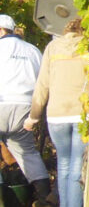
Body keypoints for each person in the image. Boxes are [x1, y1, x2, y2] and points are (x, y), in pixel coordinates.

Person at [24, 18, 89, 207]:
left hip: (56, 115)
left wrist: (33, 117)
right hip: (82, 114)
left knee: (63, 164)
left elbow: (42, 85)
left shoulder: (52, 48)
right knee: (78, 166)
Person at [0, 14, 53, 206]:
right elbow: (43, 81)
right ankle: (44, 198)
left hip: (1, 103)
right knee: (29, 153)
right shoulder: (32, 50)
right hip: (25, 109)